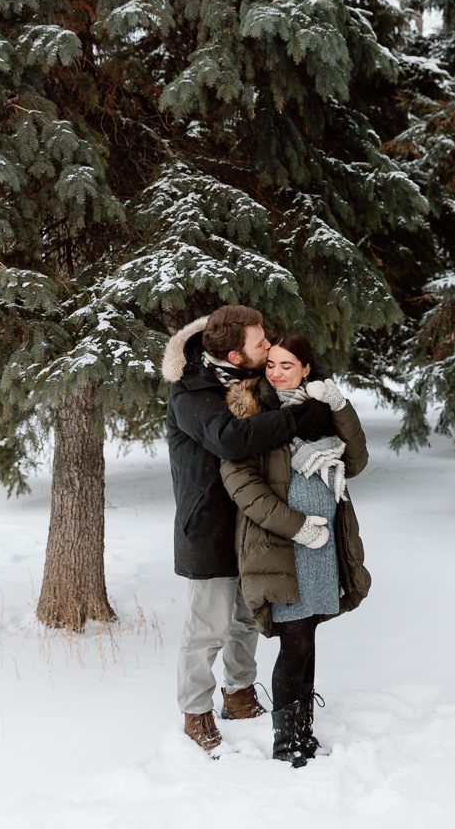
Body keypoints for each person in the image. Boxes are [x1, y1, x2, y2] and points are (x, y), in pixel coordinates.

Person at [161, 306, 334, 756]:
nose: (268, 346)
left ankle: (238, 694)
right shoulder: (190, 394)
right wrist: (296, 421)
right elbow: (230, 439)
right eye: (261, 344)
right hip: (210, 527)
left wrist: (313, 388)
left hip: (252, 523)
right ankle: (195, 710)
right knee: (208, 626)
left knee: (246, 619)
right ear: (237, 356)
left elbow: (289, 365)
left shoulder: (249, 375)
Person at [220, 333, 371, 768]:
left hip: (322, 548)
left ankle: (302, 729)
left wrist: (340, 407)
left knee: (308, 638)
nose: (276, 372)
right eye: (271, 364)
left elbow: (356, 462)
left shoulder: (321, 412)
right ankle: (287, 743)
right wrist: (298, 526)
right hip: (279, 545)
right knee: (295, 640)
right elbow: (241, 484)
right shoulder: (251, 409)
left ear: (307, 369)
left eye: (287, 365)